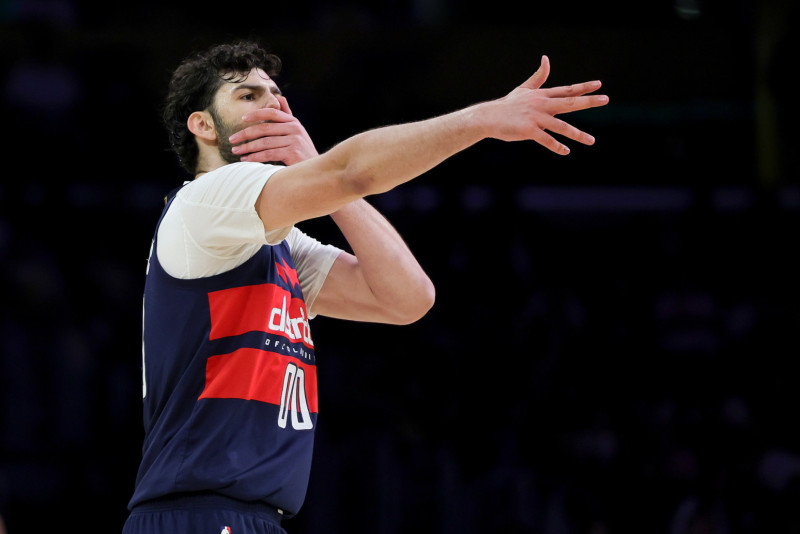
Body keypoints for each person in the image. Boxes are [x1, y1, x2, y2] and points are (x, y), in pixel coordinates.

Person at [122, 40, 609, 534]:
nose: (274, 104)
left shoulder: (278, 243)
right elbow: (353, 171)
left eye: (276, 94)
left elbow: (407, 298)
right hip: (200, 511)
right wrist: (481, 120)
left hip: (249, 515)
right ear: (204, 125)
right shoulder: (206, 201)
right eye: (248, 95)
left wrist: (315, 166)